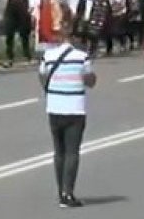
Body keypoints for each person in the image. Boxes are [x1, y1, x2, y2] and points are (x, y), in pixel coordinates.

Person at [38, 22, 96, 208]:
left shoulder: (48, 55)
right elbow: (90, 81)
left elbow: (42, 76)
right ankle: (68, 192)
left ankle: (60, 191)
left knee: (59, 151)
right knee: (72, 152)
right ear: (74, 37)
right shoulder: (82, 56)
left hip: (54, 107)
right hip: (75, 108)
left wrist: (53, 87)